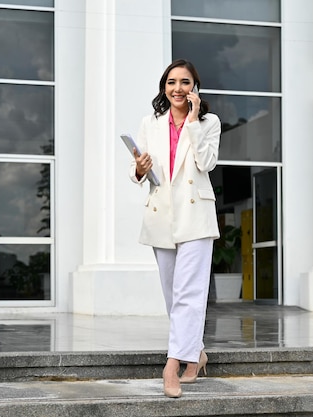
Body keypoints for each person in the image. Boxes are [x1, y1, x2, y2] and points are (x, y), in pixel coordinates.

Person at [129, 59, 221, 398]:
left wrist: (193, 123)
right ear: (163, 87)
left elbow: (206, 163)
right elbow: (138, 174)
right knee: (173, 294)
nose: (177, 88)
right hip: (161, 215)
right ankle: (195, 354)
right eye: (171, 82)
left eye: (185, 82)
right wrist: (140, 168)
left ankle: (172, 365)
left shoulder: (210, 122)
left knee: (189, 293)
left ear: (195, 87)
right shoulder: (150, 123)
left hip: (195, 216)